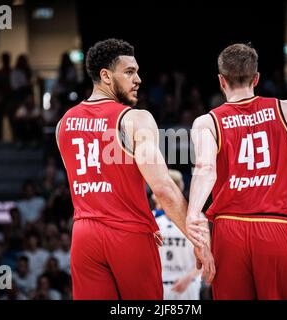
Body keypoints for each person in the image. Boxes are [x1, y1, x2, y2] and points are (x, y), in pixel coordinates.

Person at [56, 38, 214, 300]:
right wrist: (198, 241)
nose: (138, 79)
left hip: (84, 236)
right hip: (128, 235)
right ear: (105, 76)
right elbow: (163, 190)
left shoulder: (64, 124)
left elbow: (84, 182)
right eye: (129, 72)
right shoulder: (135, 119)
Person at [186, 43, 287, 300]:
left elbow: (205, 169)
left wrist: (194, 220)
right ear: (256, 78)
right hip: (277, 230)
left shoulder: (207, 122)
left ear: (221, 81)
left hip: (229, 232)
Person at [153, 169, 202, 300]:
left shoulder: (195, 217)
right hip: (160, 284)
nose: (153, 195)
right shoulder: (150, 218)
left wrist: (189, 277)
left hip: (188, 284)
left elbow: (206, 255)